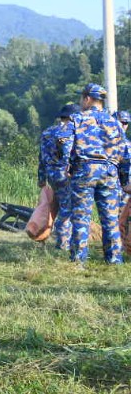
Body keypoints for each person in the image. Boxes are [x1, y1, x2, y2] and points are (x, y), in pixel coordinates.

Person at [61, 83, 127, 265]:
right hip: (110, 171)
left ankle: (78, 260)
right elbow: (125, 153)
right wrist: (124, 179)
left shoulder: (77, 119)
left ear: (87, 99)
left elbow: (64, 144)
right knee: (111, 220)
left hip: (84, 170)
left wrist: (66, 166)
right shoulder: (115, 122)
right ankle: (114, 260)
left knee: (81, 217)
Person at [39, 104, 80, 252]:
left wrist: (41, 177)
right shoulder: (69, 132)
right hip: (65, 174)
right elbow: (68, 155)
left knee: (56, 206)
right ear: (72, 117)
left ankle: (48, 237)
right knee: (66, 209)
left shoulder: (47, 132)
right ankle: (62, 243)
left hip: (51, 175)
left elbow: (41, 157)